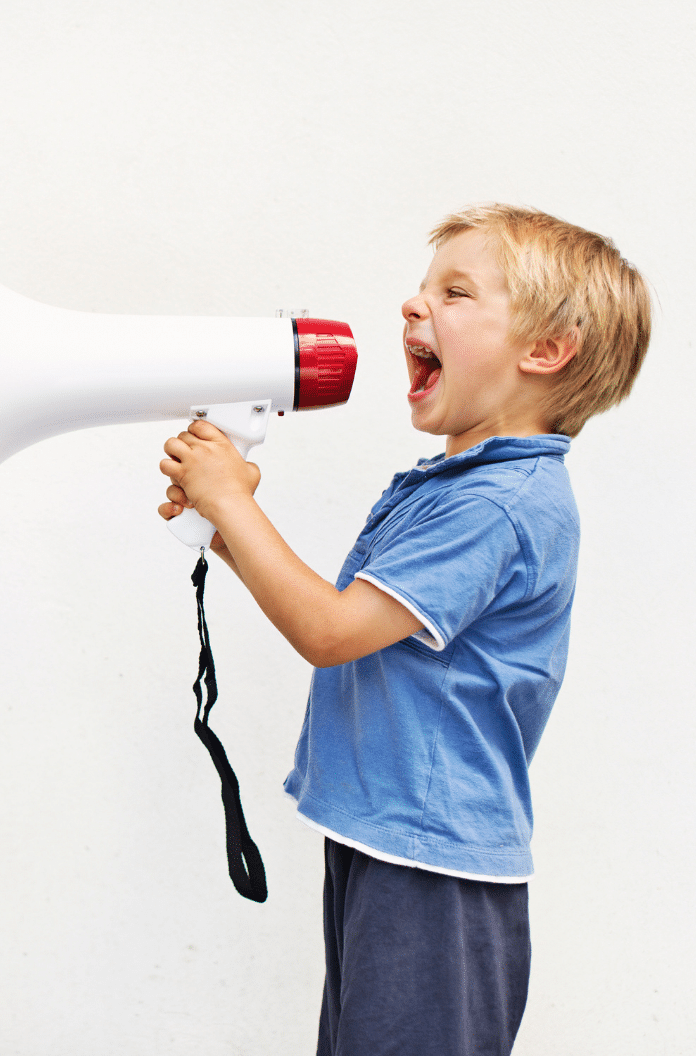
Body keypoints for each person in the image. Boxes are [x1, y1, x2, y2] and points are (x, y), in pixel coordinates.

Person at [158, 204, 650, 1055]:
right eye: (424, 288)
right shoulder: (460, 484)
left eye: (455, 293)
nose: (412, 307)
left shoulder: (499, 503)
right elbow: (353, 624)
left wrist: (234, 503)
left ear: (545, 350)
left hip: (433, 865)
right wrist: (229, 532)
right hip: (389, 839)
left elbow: (329, 631)